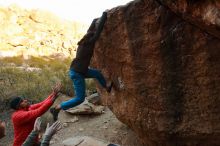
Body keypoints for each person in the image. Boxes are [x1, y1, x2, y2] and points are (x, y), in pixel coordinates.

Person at [50, 11, 113, 121]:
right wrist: (104, 15)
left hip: (81, 70)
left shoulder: (83, 43)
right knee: (80, 99)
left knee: (97, 73)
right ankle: (57, 108)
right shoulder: (89, 43)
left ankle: (107, 87)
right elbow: (97, 32)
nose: (94, 36)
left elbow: (92, 30)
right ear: (90, 38)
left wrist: (94, 20)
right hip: (77, 73)